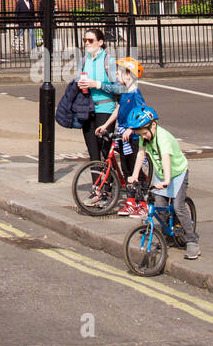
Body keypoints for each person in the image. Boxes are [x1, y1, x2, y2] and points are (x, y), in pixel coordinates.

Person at [125, 106, 200, 260]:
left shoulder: (163, 137)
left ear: (153, 125)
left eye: (144, 133)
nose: (143, 137)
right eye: (140, 134)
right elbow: (140, 154)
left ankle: (192, 240)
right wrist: (134, 175)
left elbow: (165, 159)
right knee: (160, 206)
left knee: (179, 207)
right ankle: (167, 236)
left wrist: (166, 180)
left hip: (177, 173)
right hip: (162, 175)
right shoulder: (144, 137)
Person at [95, 57, 149, 216]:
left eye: (119, 73)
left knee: (134, 170)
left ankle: (143, 203)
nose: (116, 76)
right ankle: (130, 202)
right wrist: (105, 125)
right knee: (125, 170)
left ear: (128, 75)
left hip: (133, 138)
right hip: (122, 135)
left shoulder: (136, 94)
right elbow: (118, 110)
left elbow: (142, 114)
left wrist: (131, 129)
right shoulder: (124, 93)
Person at [76, 27, 123, 172]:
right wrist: (80, 84)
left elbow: (119, 88)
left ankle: (109, 185)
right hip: (88, 109)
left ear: (101, 42)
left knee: (105, 150)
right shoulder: (84, 60)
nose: (87, 43)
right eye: (85, 40)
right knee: (93, 153)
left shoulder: (109, 61)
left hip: (105, 108)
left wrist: (97, 84)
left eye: (90, 40)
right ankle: (97, 188)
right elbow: (80, 80)